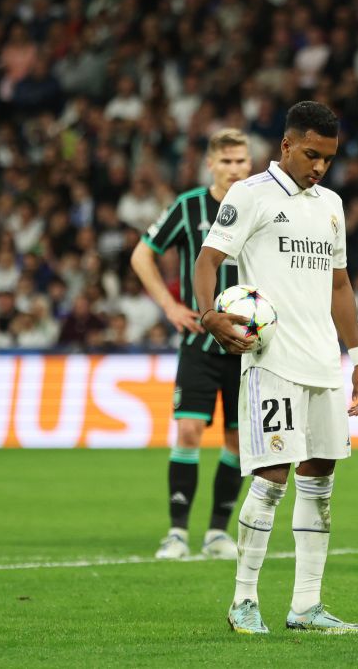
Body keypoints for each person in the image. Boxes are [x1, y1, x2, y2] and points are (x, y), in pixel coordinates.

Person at [194, 101, 358, 635]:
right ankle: (243, 601)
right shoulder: (250, 196)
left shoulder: (332, 206)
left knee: (320, 479)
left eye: (329, 159)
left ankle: (306, 606)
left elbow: (340, 285)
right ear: (287, 146)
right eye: (311, 155)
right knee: (271, 479)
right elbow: (208, 261)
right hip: (271, 360)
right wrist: (209, 316)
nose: (319, 167)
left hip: (323, 361)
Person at [130, 128, 253, 560]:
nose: (236, 169)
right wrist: (169, 305)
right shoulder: (189, 207)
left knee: (239, 441)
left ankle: (217, 532)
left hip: (247, 348)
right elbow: (142, 253)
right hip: (199, 343)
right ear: (211, 165)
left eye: (242, 161)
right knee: (188, 430)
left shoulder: (265, 207)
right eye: (227, 161)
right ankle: (177, 532)